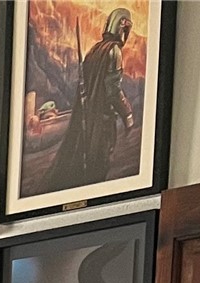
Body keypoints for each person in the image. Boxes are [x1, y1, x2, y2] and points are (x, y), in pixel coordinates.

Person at [48, 8, 136, 190]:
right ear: (122, 26)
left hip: (89, 113)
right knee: (100, 161)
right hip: (102, 117)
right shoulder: (114, 51)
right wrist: (127, 114)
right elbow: (113, 90)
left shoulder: (94, 50)